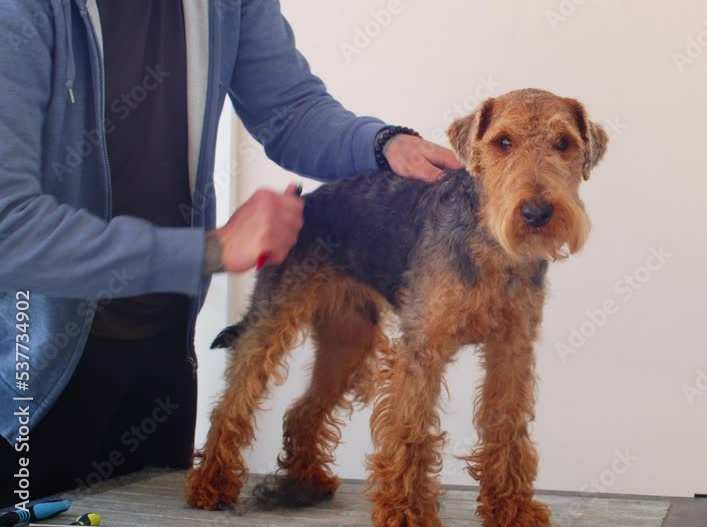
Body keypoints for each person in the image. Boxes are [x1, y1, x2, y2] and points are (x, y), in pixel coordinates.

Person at [0, 0, 461, 506]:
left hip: (164, 347)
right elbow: (10, 228)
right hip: (33, 374)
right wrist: (210, 249)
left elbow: (290, 109)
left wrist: (382, 143)